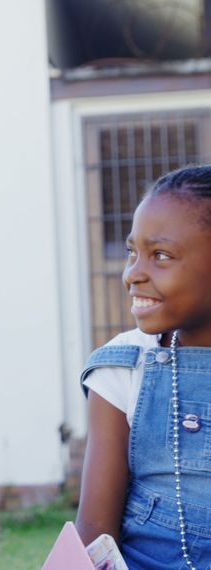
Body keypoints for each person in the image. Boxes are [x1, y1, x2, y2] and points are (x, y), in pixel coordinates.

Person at [76, 165, 211, 568]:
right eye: (133, 252)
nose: (133, 274)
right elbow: (94, 535)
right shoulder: (124, 368)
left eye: (161, 256)